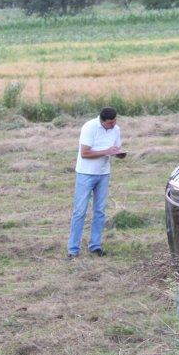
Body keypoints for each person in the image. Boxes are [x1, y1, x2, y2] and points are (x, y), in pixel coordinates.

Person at [67, 107, 125, 259]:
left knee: (99, 211)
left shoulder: (116, 129)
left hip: (103, 174)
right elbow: (84, 153)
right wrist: (107, 151)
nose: (113, 125)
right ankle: (73, 250)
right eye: (110, 123)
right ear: (102, 120)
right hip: (85, 173)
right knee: (79, 211)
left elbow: (115, 149)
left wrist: (118, 154)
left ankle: (95, 246)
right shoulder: (89, 127)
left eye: (115, 121)